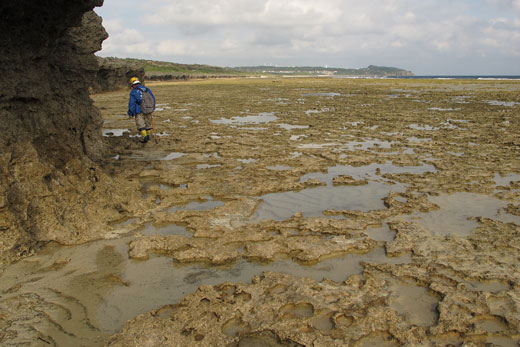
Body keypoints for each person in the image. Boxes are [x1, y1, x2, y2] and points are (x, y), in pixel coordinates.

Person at [127, 77, 156, 143]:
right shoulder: (147, 89)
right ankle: (148, 136)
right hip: (148, 109)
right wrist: (152, 108)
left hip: (139, 110)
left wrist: (130, 112)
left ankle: (144, 138)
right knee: (148, 124)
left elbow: (132, 103)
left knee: (141, 124)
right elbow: (153, 99)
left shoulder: (133, 92)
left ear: (133, 85)